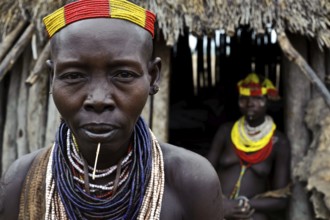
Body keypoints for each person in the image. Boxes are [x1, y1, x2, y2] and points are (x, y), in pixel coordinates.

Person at [0, 0, 223, 219]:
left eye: (123, 74)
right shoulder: (21, 181)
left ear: (153, 77)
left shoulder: (190, 182)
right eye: (74, 76)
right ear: (52, 78)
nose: (98, 99)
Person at [207, 73, 291, 220]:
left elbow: (281, 199)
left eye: (258, 98)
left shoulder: (278, 142)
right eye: (244, 98)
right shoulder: (226, 132)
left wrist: (241, 204)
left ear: (269, 101)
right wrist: (221, 204)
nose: (250, 103)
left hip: (251, 211)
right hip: (217, 206)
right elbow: (203, 175)